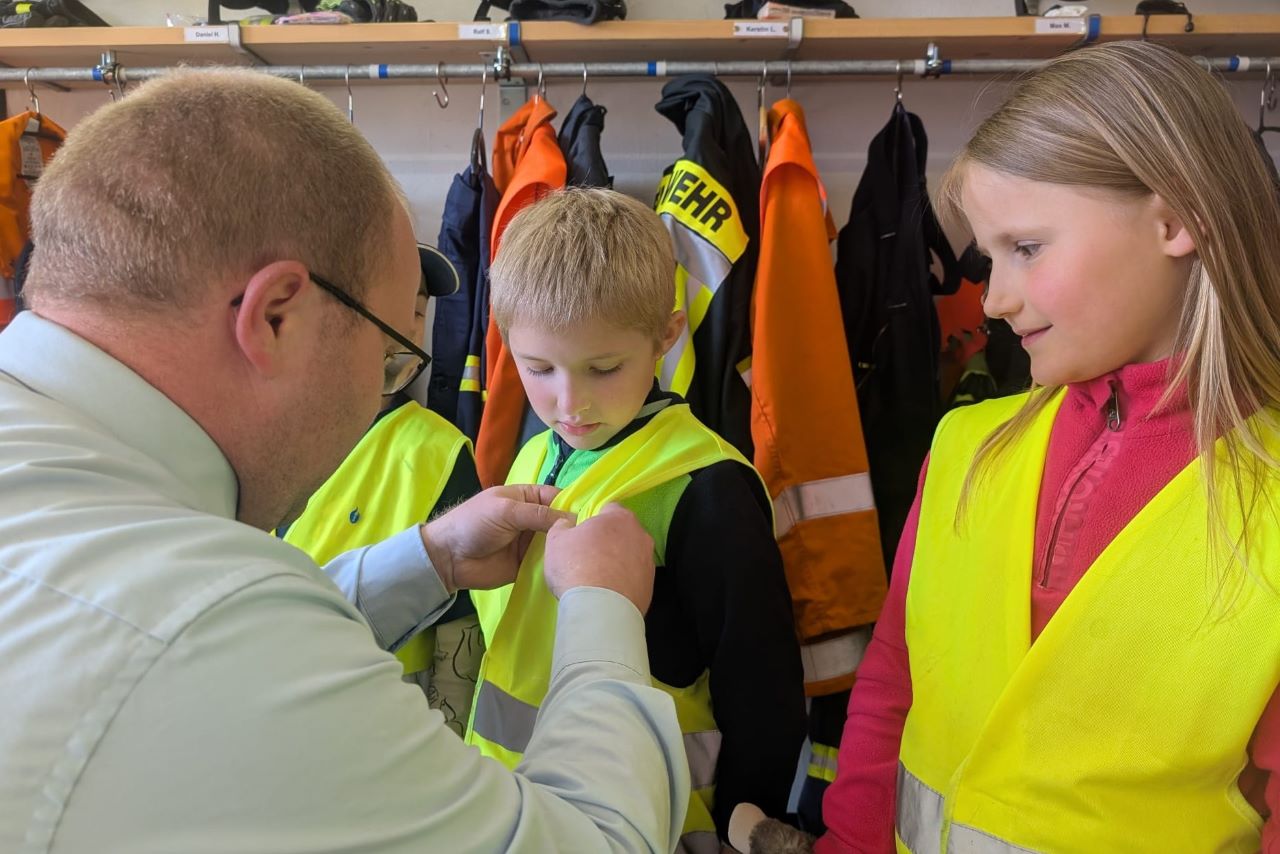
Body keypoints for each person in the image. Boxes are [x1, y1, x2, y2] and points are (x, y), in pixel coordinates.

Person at [0, 68, 692, 853]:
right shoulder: (205, 629)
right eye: (394, 353)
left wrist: (429, 559)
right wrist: (602, 607)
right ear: (277, 318)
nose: (385, 391)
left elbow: (198, 634)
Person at [813, 41, 1280, 853]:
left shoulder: (1266, 498)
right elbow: (895, 678)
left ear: (1177, 220)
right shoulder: (964, 444)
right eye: (989, 258)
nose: (992, 300)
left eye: (1025, 249)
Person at [465, 187, 807, 853]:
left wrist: (747, 819)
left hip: (661, 825)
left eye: (604, 368)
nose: (569, 403)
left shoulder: (710, 489)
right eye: (539, 368)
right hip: (518, 813)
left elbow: (761, 685)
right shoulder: (536, 455)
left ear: (666, 336)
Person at [278, 245, 485, 735]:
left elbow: (460, 635)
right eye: (388, 307)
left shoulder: (437, 452)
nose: (406, 327)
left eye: (416, 311)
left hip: (382, 743)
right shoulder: (264, 430)